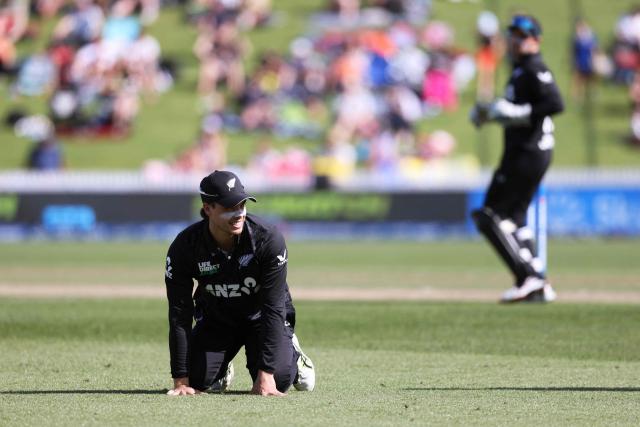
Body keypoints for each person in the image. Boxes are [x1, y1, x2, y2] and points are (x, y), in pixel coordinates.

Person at [165, 170, 315, 396]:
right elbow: (180, 314)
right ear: (208, 209)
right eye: (229, 208)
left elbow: (274, 307)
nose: (238, 214)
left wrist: (266, 374)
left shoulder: (267, 239)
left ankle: (293, 352)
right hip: (217, 320)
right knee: (195, 380)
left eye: (242, 205)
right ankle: (221, 370)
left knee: (279, 379)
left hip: (261, 319)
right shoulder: (185, 246)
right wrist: (180, 379)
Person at [469, 15, 564, 303]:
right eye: (513, 35)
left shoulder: (534, 67)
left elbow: (554, 103)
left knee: (489, 216)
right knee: (515, 220)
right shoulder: (519, 69)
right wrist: (494, 114)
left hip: (528, 153)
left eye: (522, 35)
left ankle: (529, 278)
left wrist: (516, 113)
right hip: (522, 151)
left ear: (536, 39)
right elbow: (519, 110)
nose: (516, 40)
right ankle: (537, 281)